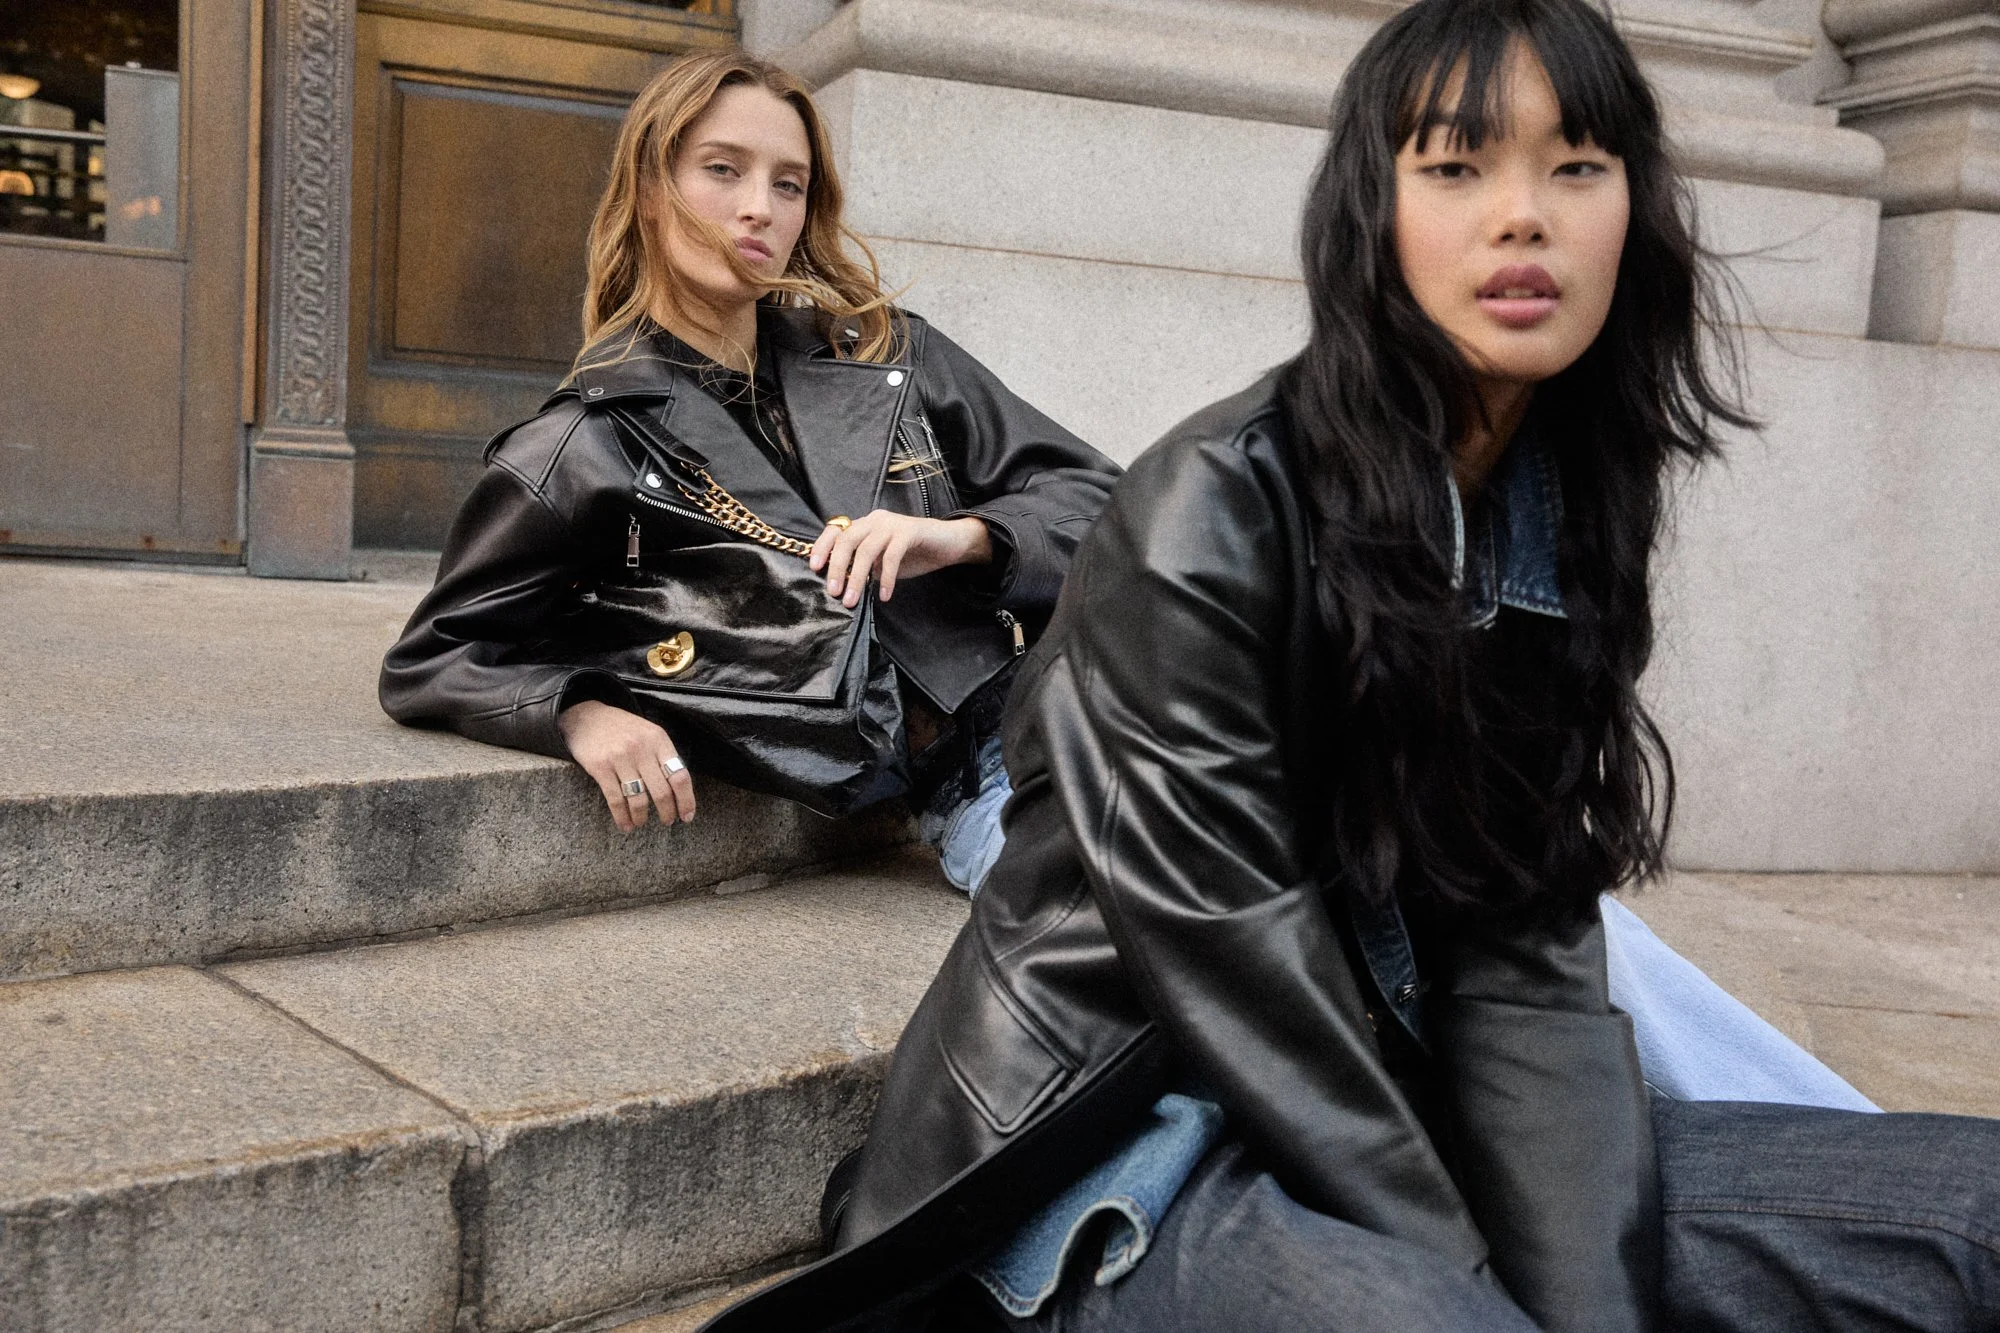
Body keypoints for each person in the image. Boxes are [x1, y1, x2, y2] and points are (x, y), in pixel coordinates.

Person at [701, 1, 2000, 1329]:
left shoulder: (1557, 512)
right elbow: (1250, 990)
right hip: (1122, 1143)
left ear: (1636, 206)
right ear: (1371, 212)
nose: (1522, 215)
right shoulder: (1208, 511)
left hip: (1406, 1093)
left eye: (1575, 164)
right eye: (1456, 166)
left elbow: (1527, 977)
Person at [380, 52, 1119, 879]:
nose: (758, 208)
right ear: (650, 188)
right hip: (981, 782)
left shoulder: (888, 351)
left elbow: (1113, 504)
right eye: (722, 170)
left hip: (1090, 699)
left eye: (788, 184)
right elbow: (435, 655)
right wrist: (576, 709)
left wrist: (966, 537)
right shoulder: (582, 449)